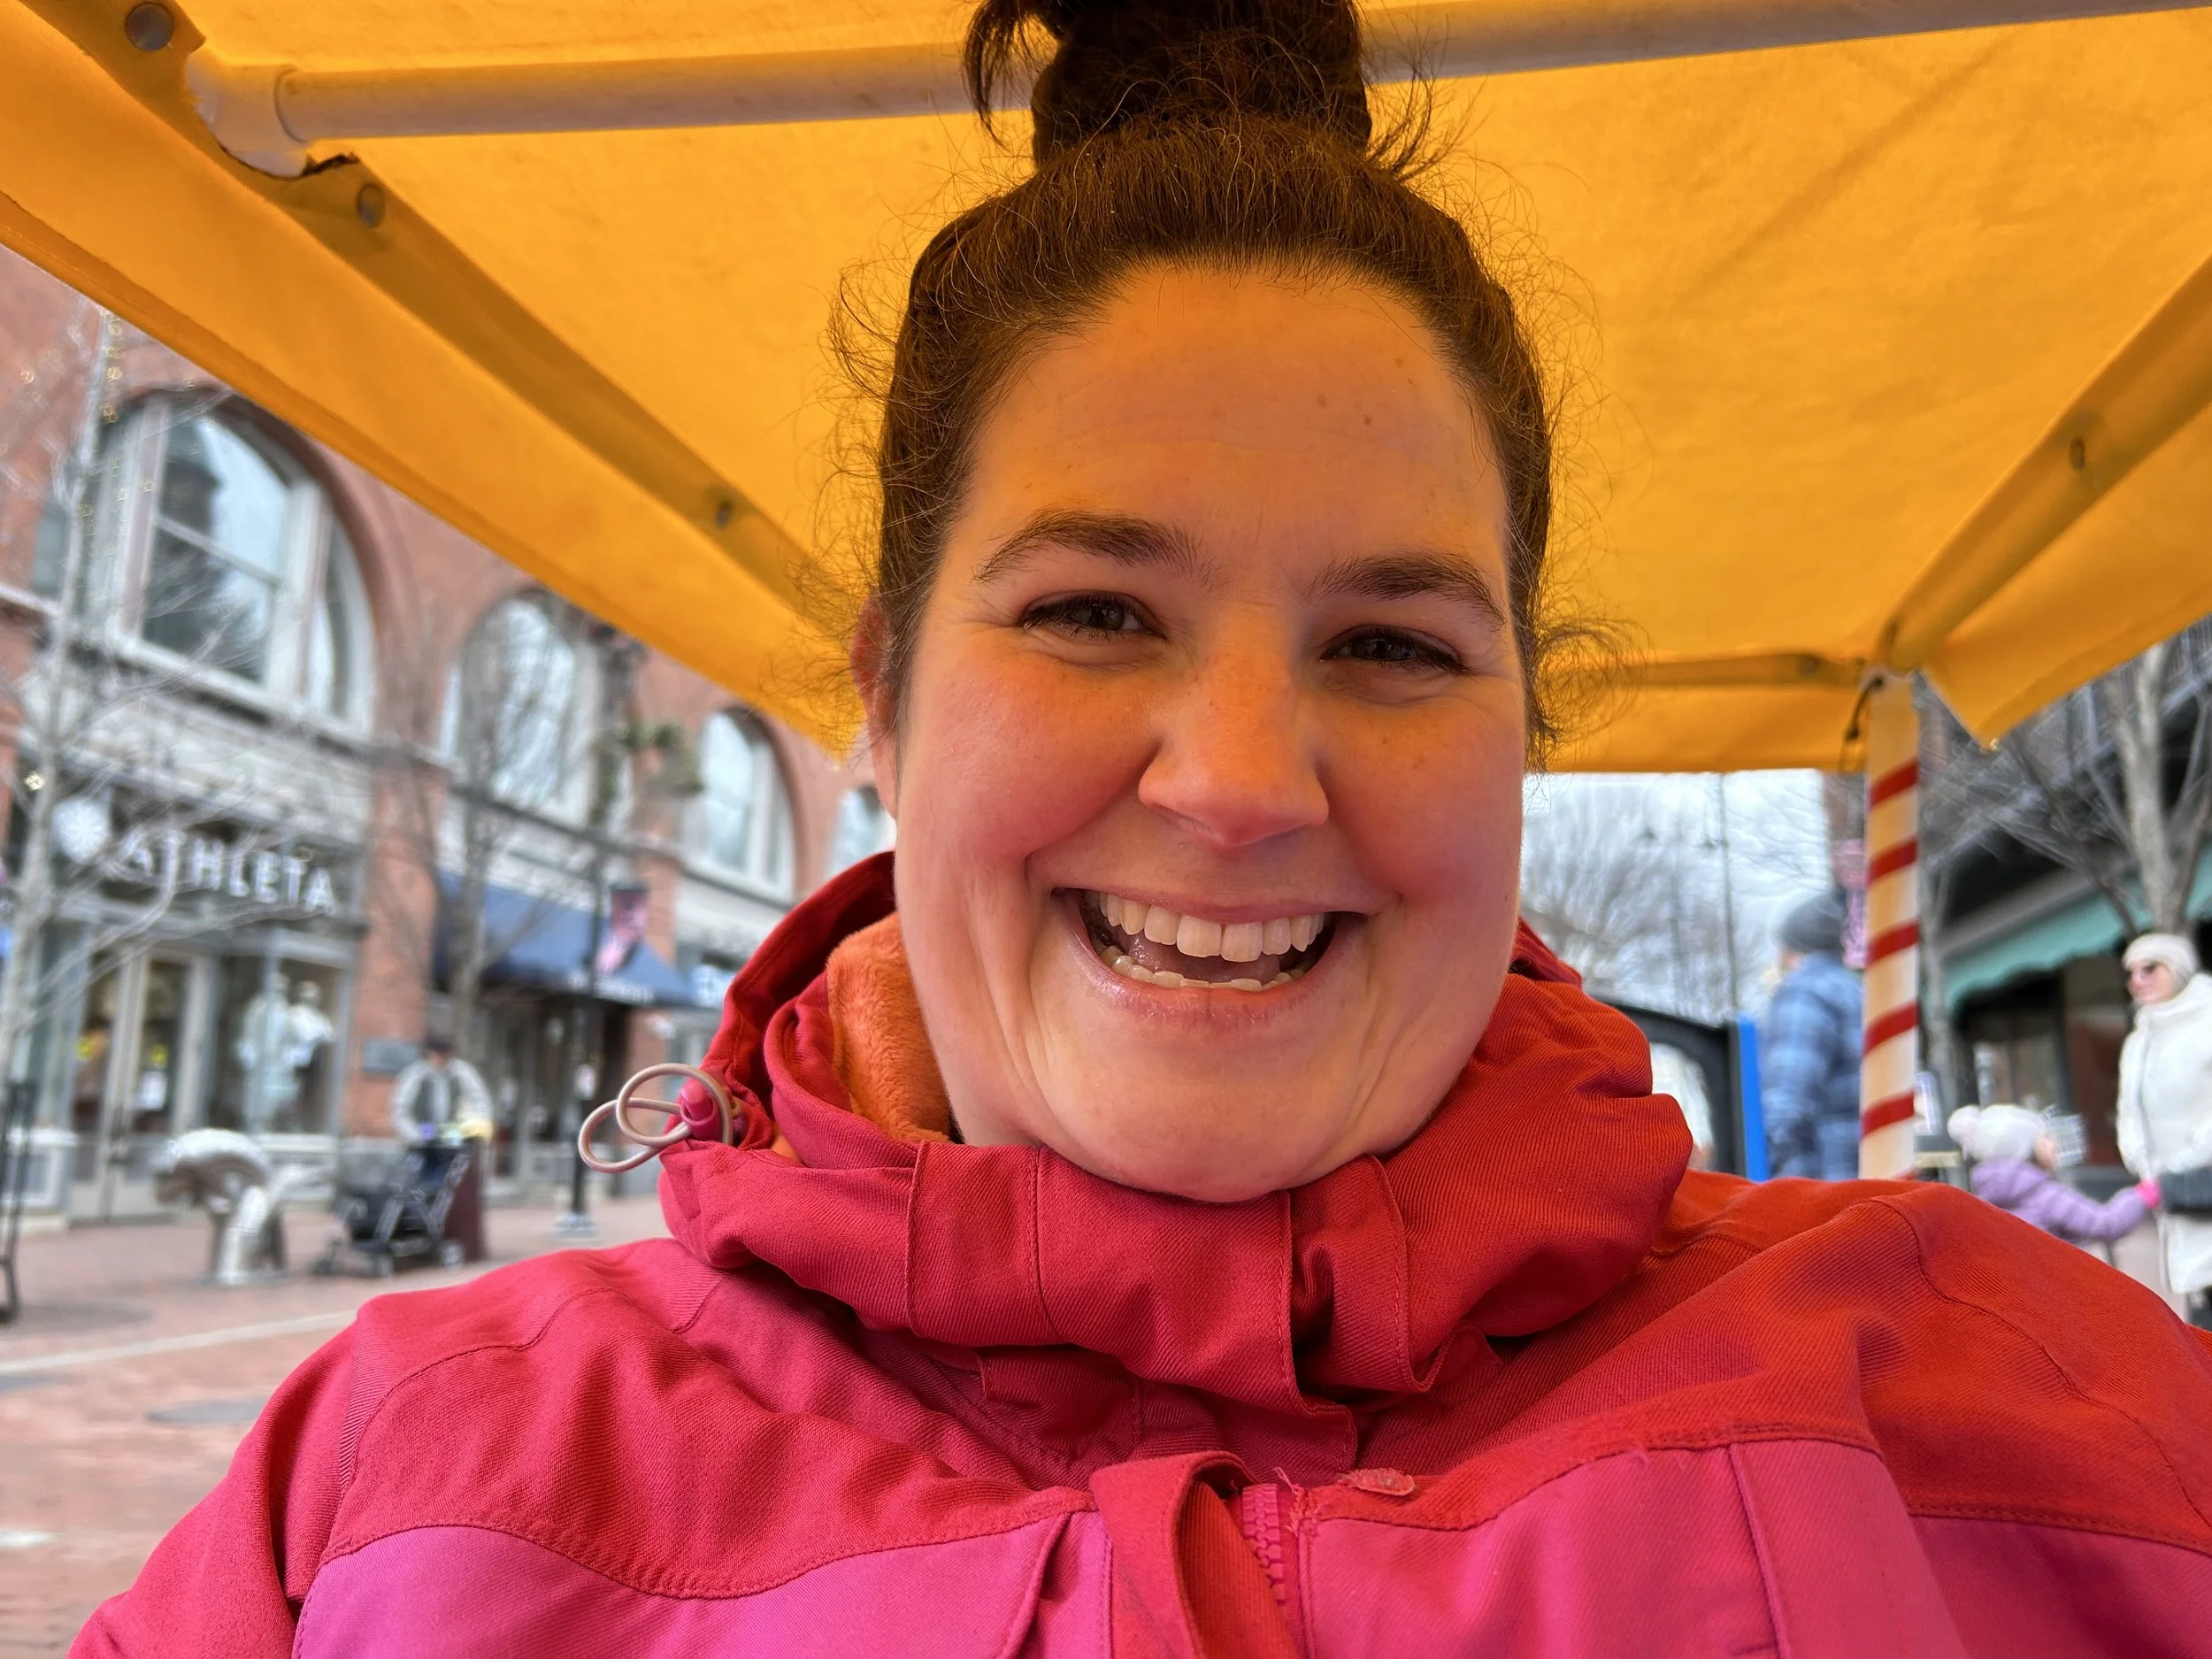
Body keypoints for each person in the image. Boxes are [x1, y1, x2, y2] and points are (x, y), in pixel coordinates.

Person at [77, 4, 2212, 1653]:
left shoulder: (2004, 1392)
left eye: (1391, 642)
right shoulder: (384, 1479)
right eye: (1095, 613)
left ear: (1522, 733)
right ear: (888, 695)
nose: (1240, 779)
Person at [2117, 931, 2212, 1327]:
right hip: (2174, 1196)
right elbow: (2128, 1111)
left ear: (2178, 968)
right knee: (2200, 1295)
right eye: (2131, 972)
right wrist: (2143, 1164)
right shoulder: (2139, 1040)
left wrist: (2183, 1166)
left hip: (2200, 1179)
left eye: (2150, 967)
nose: (2137, 980)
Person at [1759, 891, 1863, 1179]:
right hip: (1862, 1174)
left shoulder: (1803, 991)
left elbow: (1787, 1100)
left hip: (1819, 1181)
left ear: (1791, 949)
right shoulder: (1857, 990)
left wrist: (1758, 1164)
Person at [1948, 1102, 2155, 1245]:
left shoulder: (1984, 1202)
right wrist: (2144, 1194)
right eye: (2045, 1137)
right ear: (2023, 1148)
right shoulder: (2045, 1196)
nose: (2054, 1143)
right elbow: (2107, 1224)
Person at [386, 1033, 492, 1142]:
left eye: (444, 1055)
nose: (440, 1060)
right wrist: (413, 1135)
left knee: (453, 1154)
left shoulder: (461, 1072)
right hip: (421, 1131)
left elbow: (480, 1100)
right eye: (437, 1055)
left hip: (451, 1132)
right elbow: (400, 1108)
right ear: (428, 1054)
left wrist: (475, 1129)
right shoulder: (415, 1074)